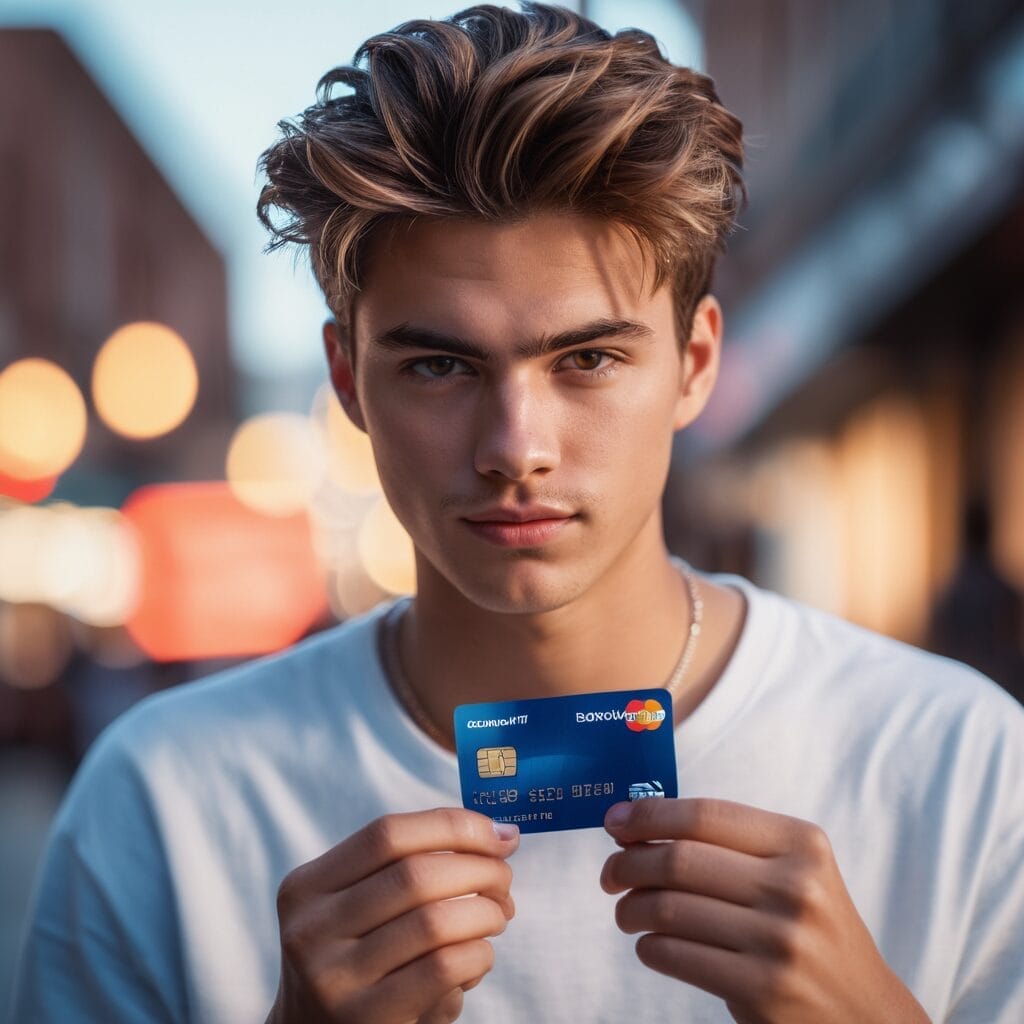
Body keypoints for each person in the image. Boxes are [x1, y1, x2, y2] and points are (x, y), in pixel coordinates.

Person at [10, 4, 1024, 1022]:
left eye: (587, 359)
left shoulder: (956, 765)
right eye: (440, 365)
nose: (514, 449)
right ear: (347, 381)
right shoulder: (163, 801)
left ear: (695, 363)